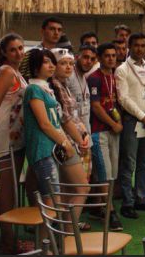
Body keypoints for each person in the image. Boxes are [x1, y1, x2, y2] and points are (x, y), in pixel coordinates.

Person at [23, 49, 88, 229]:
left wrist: (74, 140)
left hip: (52, 148)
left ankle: (61, 238)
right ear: (35, 67)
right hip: (44, 150)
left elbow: (59, 120)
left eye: (52, 62)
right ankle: (48, 243)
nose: (51, 66)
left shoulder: (46, 88)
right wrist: (65, 143)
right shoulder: (33, 89)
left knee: (56, 200)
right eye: (46, 62)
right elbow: (44, 124)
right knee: (51, 202)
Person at [0, 34, 30, 252]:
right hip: (5, 138)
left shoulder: (17, 72)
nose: (18, 53)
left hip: (16, 139)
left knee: (11, 189)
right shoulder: (6, 72)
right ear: (4, 52)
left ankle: (10, 238)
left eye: (21, 48)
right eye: (13, 49)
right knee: (8, 191)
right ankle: (7, 241)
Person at [115, 33, 145, 218]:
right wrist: (143, 116)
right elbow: (123, 98)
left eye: (143, 45)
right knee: (129, 163)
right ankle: (127, 203)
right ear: (130, 46)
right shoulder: (122, 70)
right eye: (136, 45)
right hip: (133, 120)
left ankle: (141, 198)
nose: (140, 49)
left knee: (144, 162)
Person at [49, 48, 91, 228]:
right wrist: (80, 140)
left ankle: (66, 231)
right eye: (63, 63)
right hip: (64, 143)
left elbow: (74, 116)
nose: (68, 67)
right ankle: (68, 231)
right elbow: (65, 120)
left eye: (70, 64)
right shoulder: (53, 86)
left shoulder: (64, 85)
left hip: (72, 140)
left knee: (68, 190)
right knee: (82, 188)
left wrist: (84, 133)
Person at [87, 43, 123, 231]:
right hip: (99, 130)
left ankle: (98, 206)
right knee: (104, 171)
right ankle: (109, 211)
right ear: (99, 58)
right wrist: (113, 123)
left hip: (113, 130)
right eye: (107, 55)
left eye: (113, 55)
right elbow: (96, 106)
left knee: (112, 171)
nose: (111, 58)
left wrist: (118, 123)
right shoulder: (94, 78)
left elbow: (115, 103)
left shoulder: (114, 76)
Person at [66, 45, 97, 178]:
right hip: (73, 140)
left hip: (85, 138)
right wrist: (78, 139)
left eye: (92, 59)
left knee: (85, 179)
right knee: (76, 184)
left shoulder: (84, 77)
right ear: (77, 57)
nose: (88, 61)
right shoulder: (69, 76)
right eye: (85, 57)